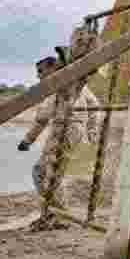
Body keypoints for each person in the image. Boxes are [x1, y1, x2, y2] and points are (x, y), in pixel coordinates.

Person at [18, 53, 100, 208]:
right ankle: (57, 208)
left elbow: (42, 119)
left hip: (66, 129)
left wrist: (27, 140)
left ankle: (58, 208)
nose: (38, 75)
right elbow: (95, 104)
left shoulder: (58, 85)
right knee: (54, 171)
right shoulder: (75, 83)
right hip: (73, 129)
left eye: (41, 71)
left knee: (41, 172)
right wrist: (91, 130)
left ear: (53, 69)